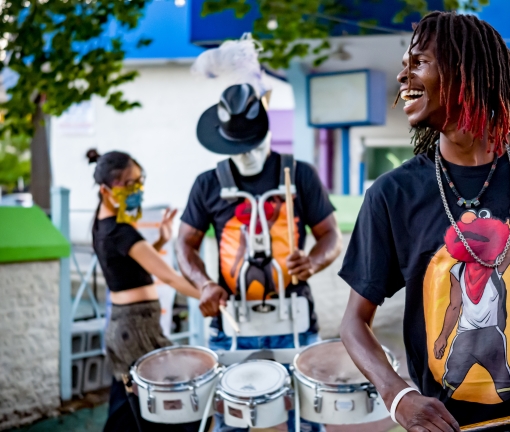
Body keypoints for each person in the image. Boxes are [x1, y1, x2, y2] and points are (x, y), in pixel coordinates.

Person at [339, 11, 510, 431]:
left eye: (419, 63)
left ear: (467, 72)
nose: (402, 77)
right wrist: (399, 395)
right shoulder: (393, 194)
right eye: (403, 65)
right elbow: (354, 322)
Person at [177, 83, 342, 432]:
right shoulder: (208, 184)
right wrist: (204, 284)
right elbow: (185, 244)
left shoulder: (299, 175)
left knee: (308, 418)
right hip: (232, 320)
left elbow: (331, 236)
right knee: (229, 420)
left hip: (294, 317)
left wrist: (312, 262)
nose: (246, 152)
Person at [87, 149, 203, 432]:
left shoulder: (102, 225)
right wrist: (212, 297)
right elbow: (173, 279)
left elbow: (130, 266)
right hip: (137, 330)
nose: (136, 190)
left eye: (139, 182)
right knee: (170, 406)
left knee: (125, 410)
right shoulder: (121, 232)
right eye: (128, 185)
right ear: (105, 190)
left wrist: (162, 241)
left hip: (122, 328)